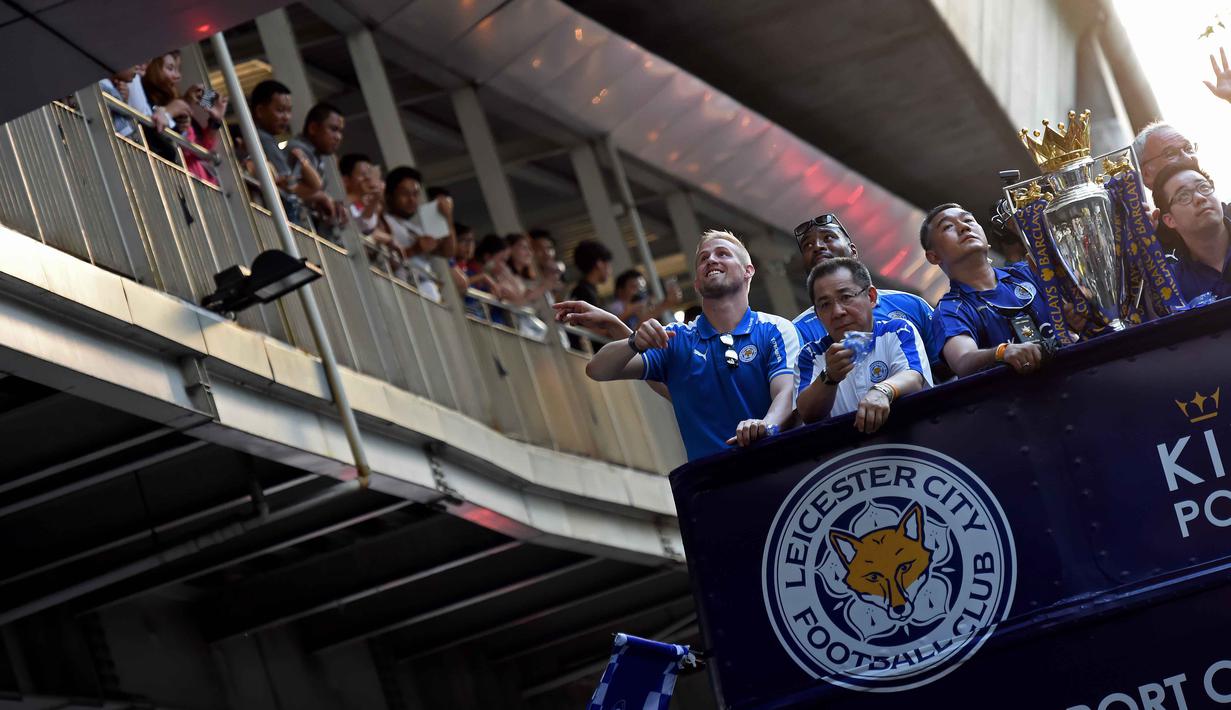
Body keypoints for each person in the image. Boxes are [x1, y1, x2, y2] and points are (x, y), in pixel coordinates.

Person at [584, 230, 799, 461]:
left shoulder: (776, 329)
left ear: (748, 271)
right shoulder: (676, 337)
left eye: (723, 254)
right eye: (703, 258)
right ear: (697, 283)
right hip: (711, 488)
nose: (711, 260)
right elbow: (597, 369)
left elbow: (786, 392)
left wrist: (766, 426)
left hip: (778, 473)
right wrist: (633, 341)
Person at [791, 213, 942, 370]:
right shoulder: (798, 331)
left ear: (853, 251)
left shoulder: (910, 304)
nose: (817, 246)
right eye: (808, 245)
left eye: (828, 238)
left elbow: (945, 370)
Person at [796, 258, 932, 432]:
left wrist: (882, 391)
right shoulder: (810, 354)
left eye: (846, 297)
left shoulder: (898, 330)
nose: (837, 311)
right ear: (817, 314)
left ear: (871, 297)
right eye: (825, 304)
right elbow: (807, 413)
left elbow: (914, 377)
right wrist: (829, 376)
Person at [922, 203, 1052, 377]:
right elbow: (963, 360)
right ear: (934, 256)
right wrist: (1001, 352)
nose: (963, 227)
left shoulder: (1029, 272)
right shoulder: (950, 310)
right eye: (948, 227)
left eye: (968, 219)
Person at [1152, 160, 1231, 301]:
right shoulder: (1172, 285)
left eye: (1204, 187)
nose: (1200, 198)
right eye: (1183, 196)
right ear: (1170, 220)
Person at [383, 166, 456, 302]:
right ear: (389, 195)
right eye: (405, 194)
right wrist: (414, 249)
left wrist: (447, 218)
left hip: (428, 294)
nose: (411, 200)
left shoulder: (416, 229)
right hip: (405, 294)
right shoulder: (385, 221)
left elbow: (448, 251)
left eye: (415, 194)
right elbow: (382, 259)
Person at [285, 102, 347, 237]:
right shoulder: (299, 150)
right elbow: (288, 188)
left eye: (340, 131)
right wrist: (322, 197)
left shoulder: (316, 155)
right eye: (333, 129)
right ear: (313, 128)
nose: (338, 137)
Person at [610, 269, 682, 330]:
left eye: (642, 288)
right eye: (634, 287)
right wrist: (665, 305)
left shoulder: (642, 305)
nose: (639, 291)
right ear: (620, 291)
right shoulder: (617, 307)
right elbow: (635, 331)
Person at [569, 240, 613, 306]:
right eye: (608, 264)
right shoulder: (584, 293)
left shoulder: (585, 290)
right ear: (599, 264)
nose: (610, 271)